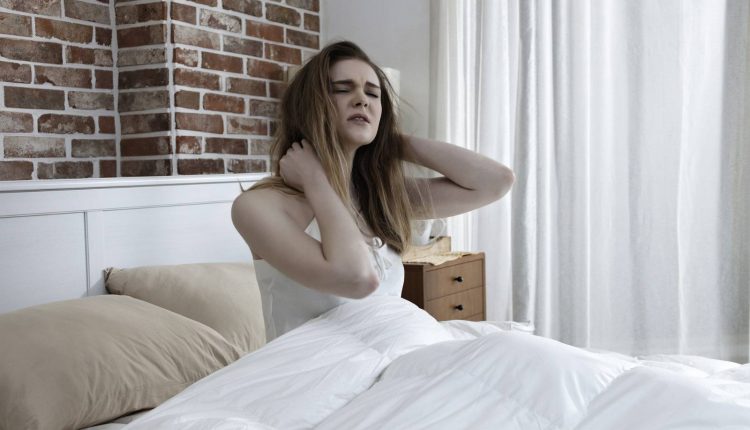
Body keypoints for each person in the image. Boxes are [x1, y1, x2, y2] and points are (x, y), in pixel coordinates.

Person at [232, 41, 514, 341]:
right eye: (343, 89)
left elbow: (496, 182)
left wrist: (389, 140)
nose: (361, 100)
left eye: (372, 93)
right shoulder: (258, 206)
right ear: (309, 106)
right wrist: (316, 179)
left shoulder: (380, 197)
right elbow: (356, 280)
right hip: (323, 363)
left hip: (398, 352)